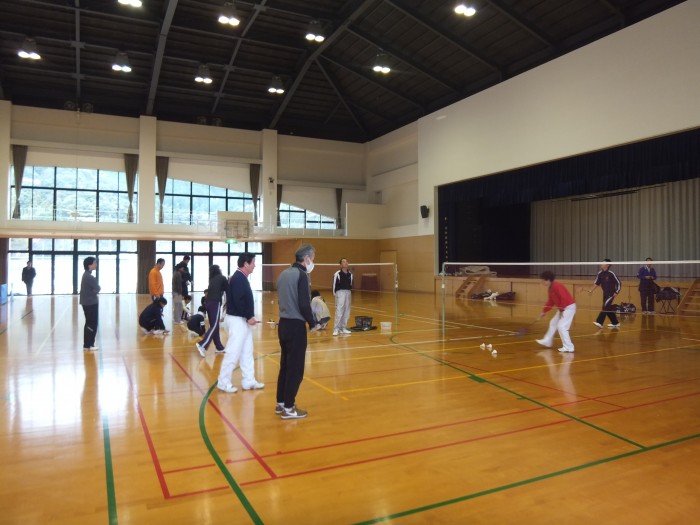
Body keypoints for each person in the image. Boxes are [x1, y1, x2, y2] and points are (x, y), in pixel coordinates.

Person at [276, 244, 320, 419]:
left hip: (283, 325)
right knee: (296, 369)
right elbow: (304, 303)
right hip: (296, 327)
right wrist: (312, 323)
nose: (312, 262)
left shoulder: (283, 274)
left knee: (285, 366)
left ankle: (281, 403)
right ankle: (289, 408)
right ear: (306, 258)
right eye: (312, 259)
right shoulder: (302, 275)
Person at [217, 253, 265, 393]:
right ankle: (223, 382)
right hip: (237, 320)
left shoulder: (241, 278)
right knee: (233, 352)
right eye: (253, 262)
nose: (254, 265)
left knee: (247, 351)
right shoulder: (238, 278)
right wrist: (249, 316)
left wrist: (249, 317)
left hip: (243, 320)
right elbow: (239, 300)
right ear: (246, 264)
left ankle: (248, 380)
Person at [535, 271, 577, 353]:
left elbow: (564, 298)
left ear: (548, 280)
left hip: (568, 307)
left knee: (562, 326)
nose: (542, 282)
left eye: (543, 280)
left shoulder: (557, 286)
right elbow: (551, 302)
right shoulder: (550, 288)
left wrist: (561, 310)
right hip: (563, 308)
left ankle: (569, 347)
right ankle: (547, 341)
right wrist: (544, 311)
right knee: (553, 323)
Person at [196, 265, 228, 357]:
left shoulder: (212, 280)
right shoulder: (222, 278)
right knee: (214, 326)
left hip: (208, 303)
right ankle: (202, 345)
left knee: (214, 326)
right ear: (218, 270)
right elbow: (228, 289)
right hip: (215, 303)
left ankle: (219, 347)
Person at [588, 258, 622, 329]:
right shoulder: (600, 273)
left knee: (605, 307)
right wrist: (591, 290)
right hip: (605, 294)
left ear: (607, 265)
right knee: (607, 308)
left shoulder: (611, 273)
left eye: (603, 263)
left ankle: (599, 322)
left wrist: (617, 292)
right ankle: (615, 322)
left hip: (611, 294)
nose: (601, 264)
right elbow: (597, 283)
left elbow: (618, 283)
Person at [79, 256, 100, 351]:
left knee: (89, 323)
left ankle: (88, 344)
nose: (96, 264)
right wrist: (94, 291)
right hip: (90, 303)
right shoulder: (89, 277)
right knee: (92, 323)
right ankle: (88, 344)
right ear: (89, 265)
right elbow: (98, 288)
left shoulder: (86, 275)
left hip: (88, 302)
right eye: (94, 263)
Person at [332, 257, 353, 336]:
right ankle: (336, 329)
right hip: (340, 292)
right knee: (339, 310)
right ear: (341, 265)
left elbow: (351, 284)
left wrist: (349, 292)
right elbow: (334, 285)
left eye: (346, 261)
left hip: (348, 292)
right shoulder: (337, 274)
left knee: (347, 310)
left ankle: (343, 328)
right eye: (344, 262)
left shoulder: (350, 274)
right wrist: (335, 294)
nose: (346, 263)